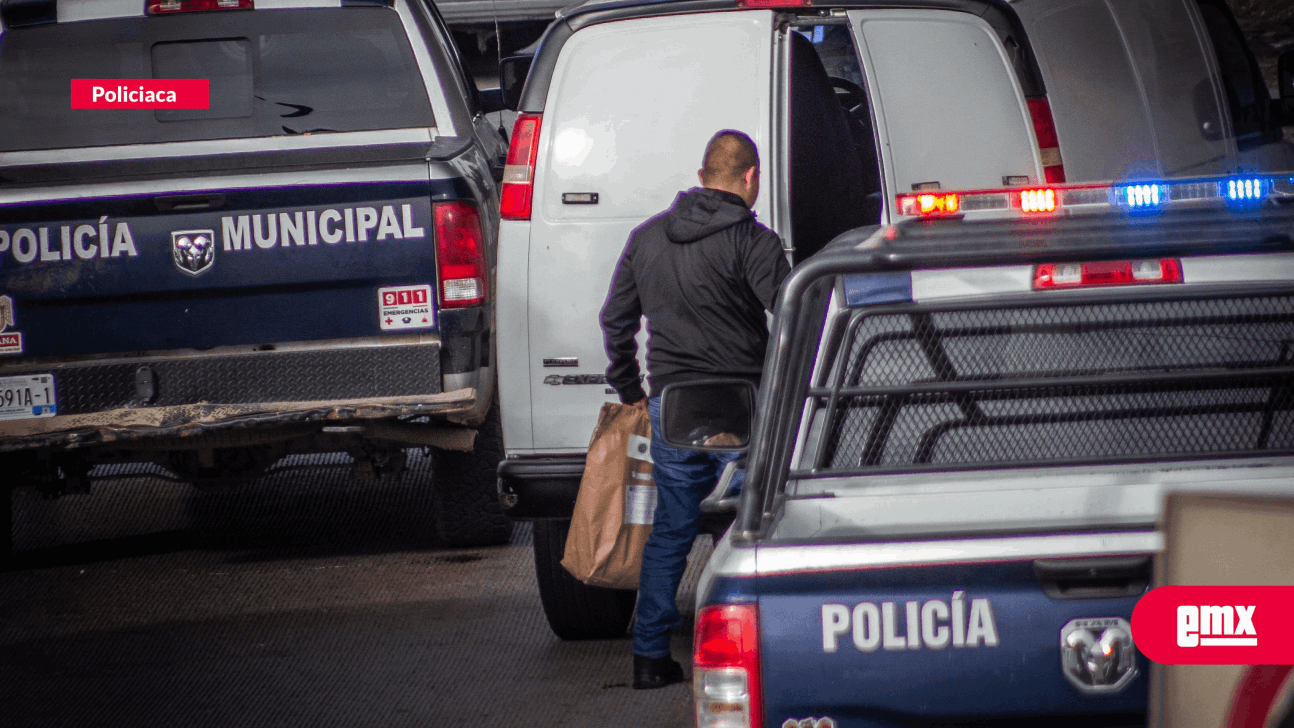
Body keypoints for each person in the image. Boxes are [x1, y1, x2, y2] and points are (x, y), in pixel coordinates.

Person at [600, 129, 791, 690]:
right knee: (752, 526)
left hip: (674, 408)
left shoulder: (647, 238)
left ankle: (650, 658)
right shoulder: (755, 242)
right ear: (750, 177)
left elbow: (615, 320)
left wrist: (630, 385)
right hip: (744, 409)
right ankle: (759, 650)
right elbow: (792, 313)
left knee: (672, 530)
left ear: (703, 173)